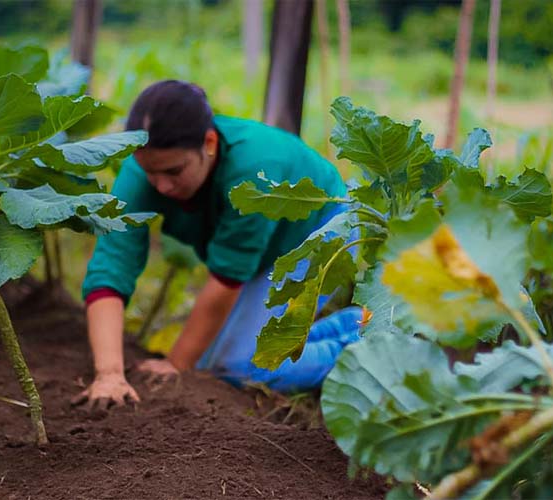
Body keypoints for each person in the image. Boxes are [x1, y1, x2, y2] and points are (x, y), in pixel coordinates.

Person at [73, 80, 361, 410]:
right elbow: (111, 266)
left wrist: (177, 364)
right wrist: (109, 374)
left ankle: (370, 342)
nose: (161, 186)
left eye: (174, 171)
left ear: (208, 143)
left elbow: (226, 279)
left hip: (321, 233)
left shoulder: (252, 170)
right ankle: (353, 323)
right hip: (263, 252)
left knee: (238, 366)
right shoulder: (142, 172)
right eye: (150, 172)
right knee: (210, 364)